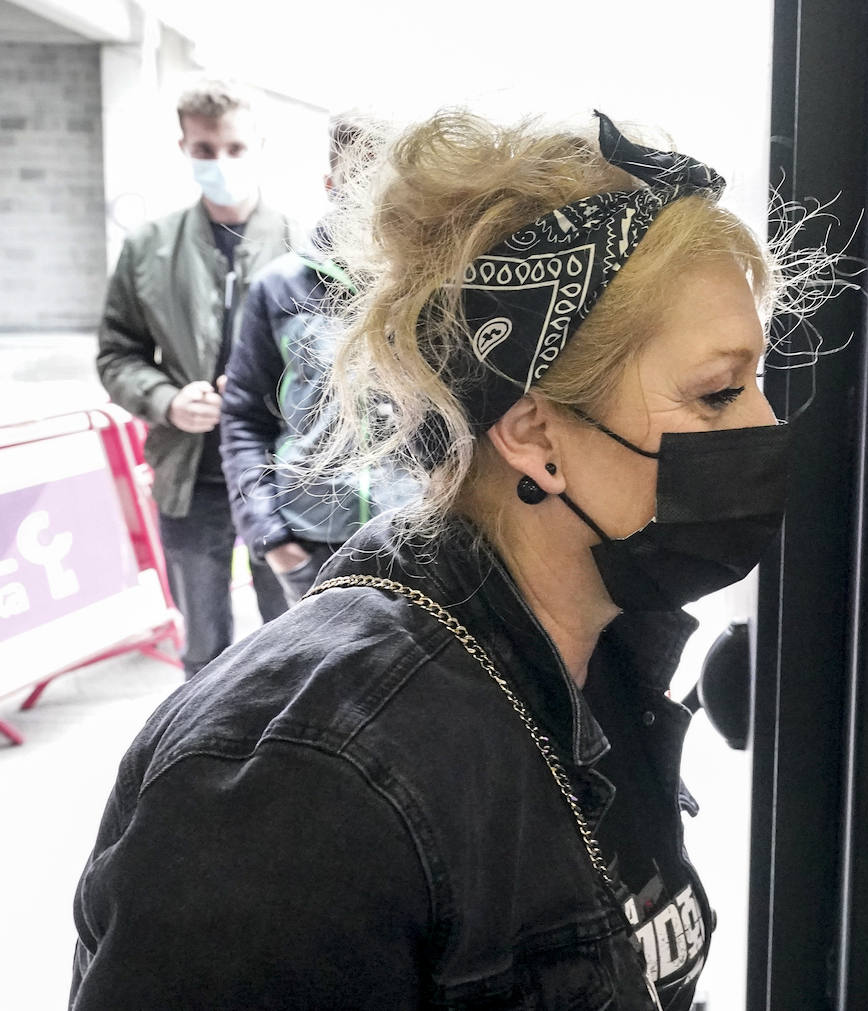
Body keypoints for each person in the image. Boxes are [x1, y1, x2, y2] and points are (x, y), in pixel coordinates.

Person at [71, 109, 807, 1010]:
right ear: (536, 435)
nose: (767, 426)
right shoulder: (304, 786)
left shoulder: (599, 651)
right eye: (719, 392)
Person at [95, 78, 294, 676]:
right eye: (205, 151)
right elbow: (116, 353)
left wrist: (273, 393)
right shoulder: (149, 248)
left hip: (283, 475)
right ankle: (203, 761)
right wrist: (166, 399)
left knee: (294, 640)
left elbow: (343, 368)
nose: (220, 163)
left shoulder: (304, 243)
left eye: (234, 148)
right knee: (204, 650)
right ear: (183, 147)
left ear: (259, 144)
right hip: (191, 475)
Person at [220, 112, 415, 604]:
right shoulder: (280, 287)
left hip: (418, 543)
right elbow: (243, 417)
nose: (375, 192)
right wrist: (273, 538)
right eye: (361, 174)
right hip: (312, 546)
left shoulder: (433, 289)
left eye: (389, 176)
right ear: (331, 183)